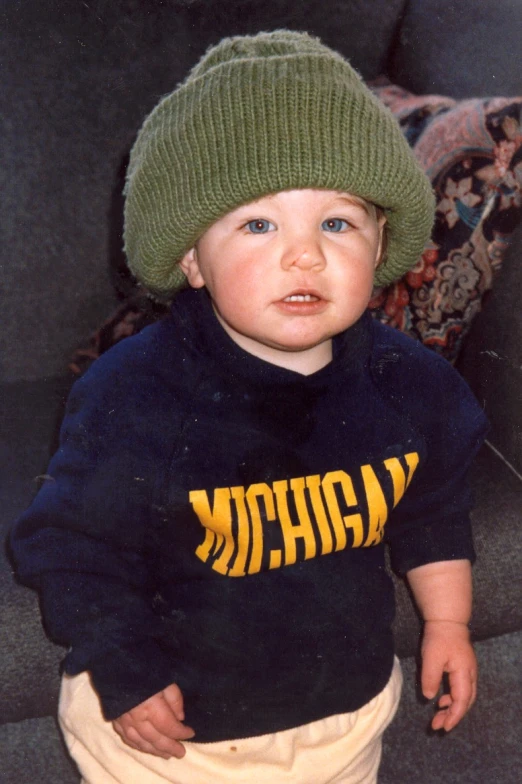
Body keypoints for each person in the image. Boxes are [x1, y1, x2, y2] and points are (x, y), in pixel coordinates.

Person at [10, 30, 488, 784]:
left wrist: (450, 623)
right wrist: (124, 669)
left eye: (337, 222)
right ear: (192, 259)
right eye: (258, 224)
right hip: (173, 731)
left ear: (381, 240)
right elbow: (72, 545)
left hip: (344, 713)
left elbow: (434, 510)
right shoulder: (134, 394)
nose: (305, 255)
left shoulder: (412, 385)